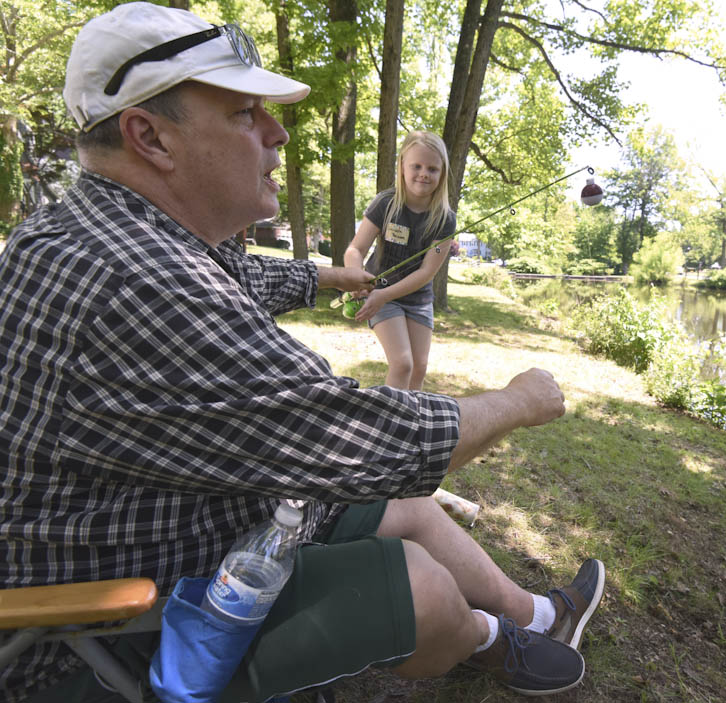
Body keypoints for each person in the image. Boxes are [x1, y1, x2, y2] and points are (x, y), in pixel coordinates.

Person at [0, 4, 605, 702]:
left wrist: (329, 276)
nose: (276, 132)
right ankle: (488, 640)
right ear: (151, 137)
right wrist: (521, 400)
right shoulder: (135, 280)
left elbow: (241, 277)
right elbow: (369, 438)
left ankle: (543, 616)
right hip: (112, 629)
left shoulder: (101, 228)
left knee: (406, 507)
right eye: (244, 114)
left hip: (196, 521)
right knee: (419, 585)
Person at [343, 131, 456, 390]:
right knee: (402, 363)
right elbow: (355, 250)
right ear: (402, 166)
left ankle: (409, 425)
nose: (424, 173)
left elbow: (427, 272)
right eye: (416, 166)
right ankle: (389, 424)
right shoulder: (386, 203)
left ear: (442, 174)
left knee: (418, 368)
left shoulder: (445, 219)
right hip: (380, 294)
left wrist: (383, 295)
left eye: (432, 168)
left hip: (418, 299)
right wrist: (356, 277)